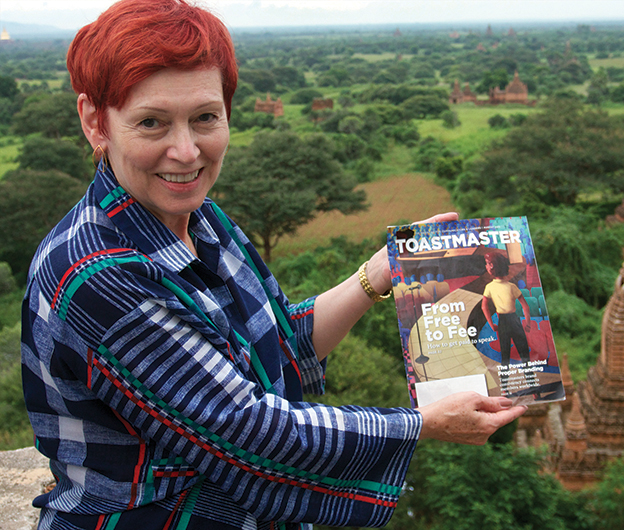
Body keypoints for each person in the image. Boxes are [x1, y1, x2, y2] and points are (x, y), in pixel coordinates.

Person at [20, 1, 526, 529]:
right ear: (95, 122)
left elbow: (281, 345)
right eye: (152, 123)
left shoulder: (203, 221)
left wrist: (378, 274)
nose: (186, 151)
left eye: (205, 118)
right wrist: (422, 424)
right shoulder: (96, 274)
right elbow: (248, 430)